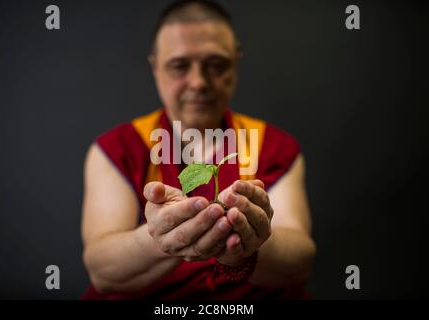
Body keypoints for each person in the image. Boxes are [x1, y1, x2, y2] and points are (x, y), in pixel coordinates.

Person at [81, 0, 316, 299]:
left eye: (216, 65)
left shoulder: (274, 145)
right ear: (156, 68)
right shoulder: (117, 148)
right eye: (179, 66)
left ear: (236, 62)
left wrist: (245, 244)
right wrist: (162, 235)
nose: (199, 82)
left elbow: (300, 260)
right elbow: (103, 270)